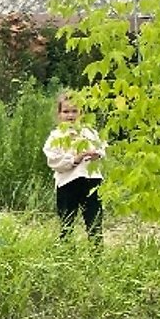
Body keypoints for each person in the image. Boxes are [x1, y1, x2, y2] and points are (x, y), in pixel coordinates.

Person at [43, 91, 104, 242]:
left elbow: (102, 148)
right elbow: (53, 160)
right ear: (59, 114)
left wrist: (97, 154)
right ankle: (66, 254)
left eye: (74, 111)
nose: (70, 116)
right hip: (67, 183)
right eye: (66, 111)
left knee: (94, 223)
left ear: (81, 113)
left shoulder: (90, 133)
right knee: (66, 224)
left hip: (91, 181)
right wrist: (75, 159)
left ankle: (96, 256)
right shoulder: (56, 136)